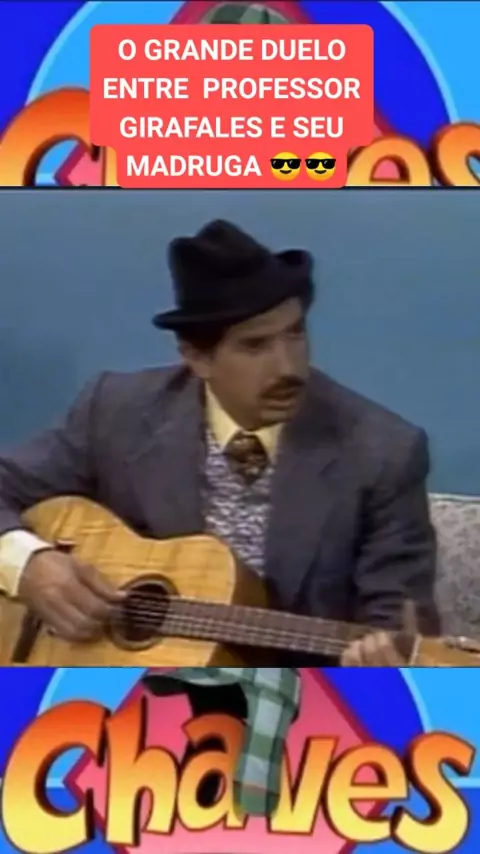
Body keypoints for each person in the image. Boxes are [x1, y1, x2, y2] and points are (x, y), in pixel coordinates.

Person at [0, 219, 439, 666]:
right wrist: (29, 565)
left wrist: (382, 670)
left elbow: (401, 621)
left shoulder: (384, 453)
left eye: (295, 333)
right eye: (255, 346)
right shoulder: (115, 411)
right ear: (197, 358)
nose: (289, 367)